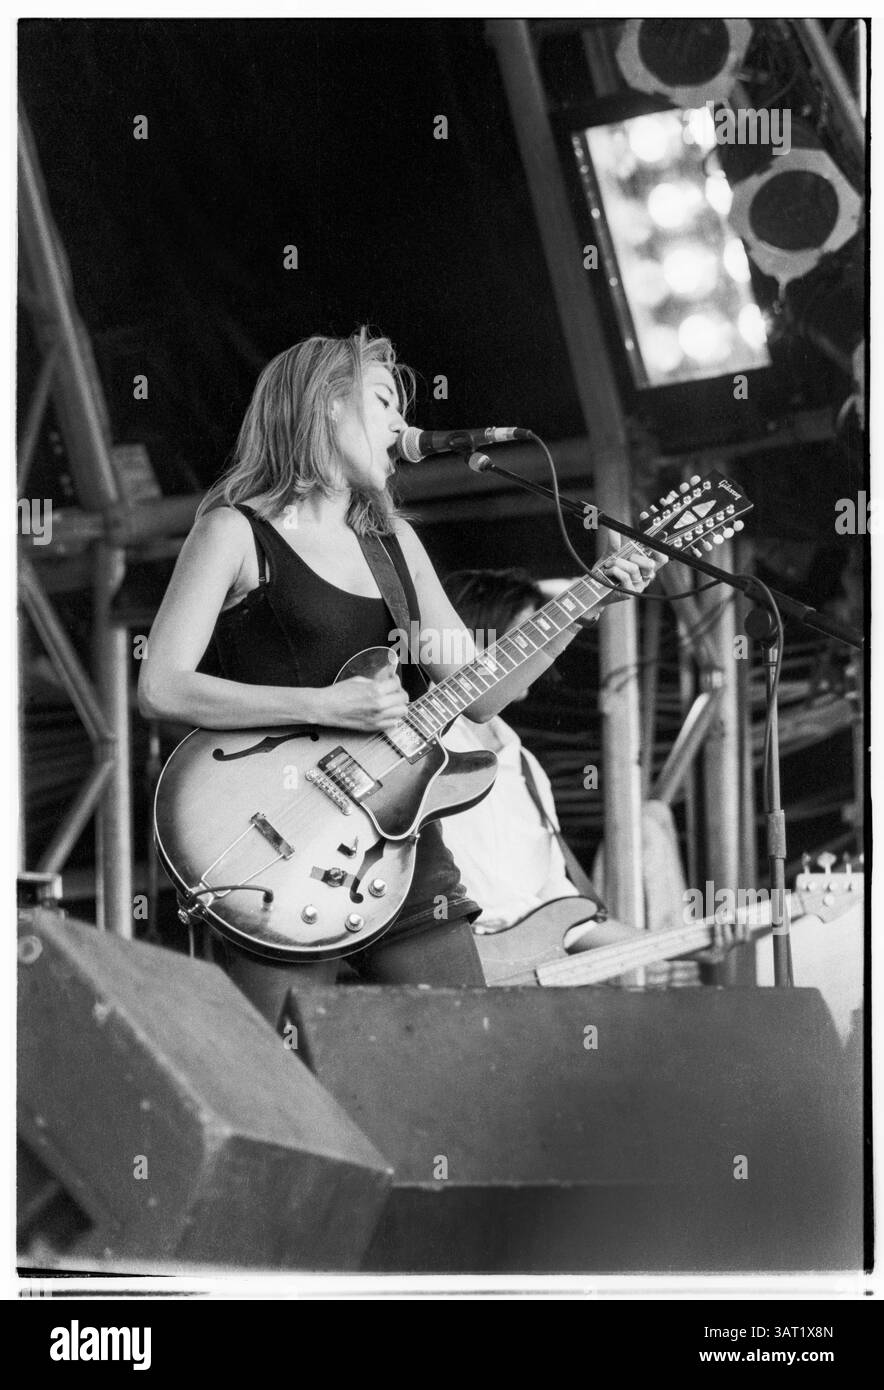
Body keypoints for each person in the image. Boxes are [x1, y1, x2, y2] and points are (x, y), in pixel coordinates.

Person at [138, 328, 659, 1023]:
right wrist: (327, 706)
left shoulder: (394, 545)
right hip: (273, 845)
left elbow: (484, 694)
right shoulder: (234, 532)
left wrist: (585, 603)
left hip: (399, 843)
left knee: (461, 1054)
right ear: (324, 404)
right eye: (383, 402)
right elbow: (162, 686)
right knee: (285, 1085)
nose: (401, 426)